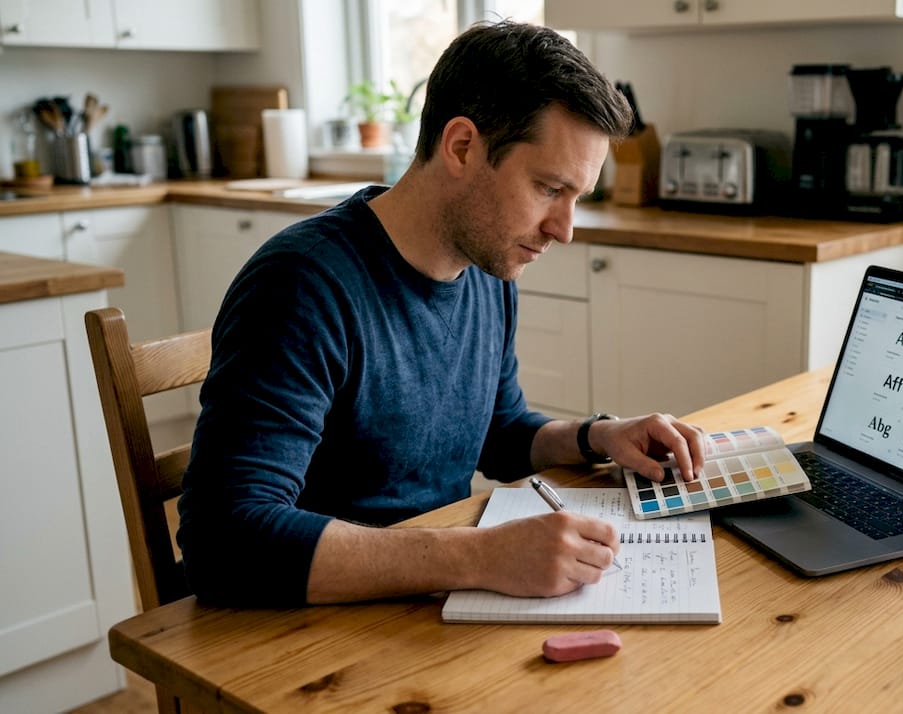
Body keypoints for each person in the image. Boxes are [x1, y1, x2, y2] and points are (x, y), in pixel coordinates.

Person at [177, 21, 706, 608]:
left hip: (431, 606)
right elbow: (223, 538)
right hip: (307, 634)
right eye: (548, 188)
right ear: (461, 147)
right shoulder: (302, 285)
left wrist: (599, 435)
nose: (564, 229)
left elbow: (498, 434)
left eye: (575, 197)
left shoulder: (487, 265)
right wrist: (480, 556)